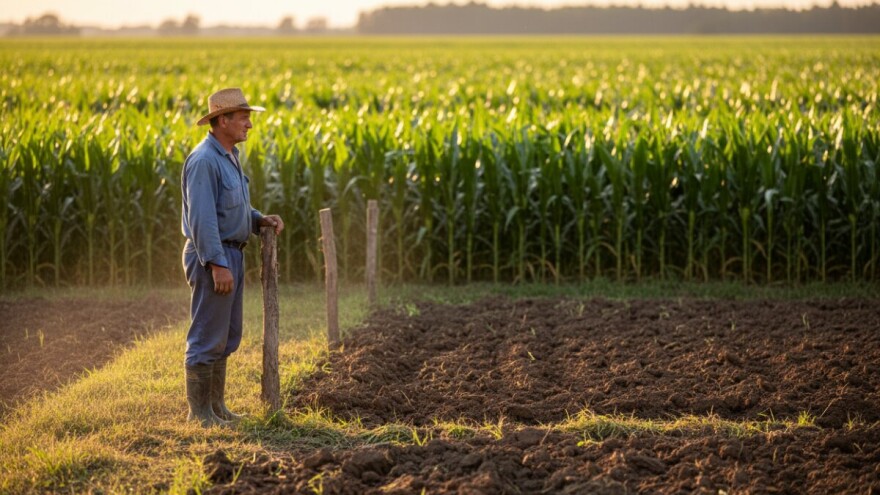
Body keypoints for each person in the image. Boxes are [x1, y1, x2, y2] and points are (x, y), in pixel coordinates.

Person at [181, 87, 284, 427]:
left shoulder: (227, 156)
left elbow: (232, 206)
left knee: (226, 336)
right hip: (214, 255)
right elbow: (203, 218)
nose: (249, 125)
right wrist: (216, 264)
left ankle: (217, 407)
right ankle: (200, 416)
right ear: (222, 120)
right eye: (243, 117)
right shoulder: (204, 160)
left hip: (231, 253)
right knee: (208, 336)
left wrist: (258, 220)